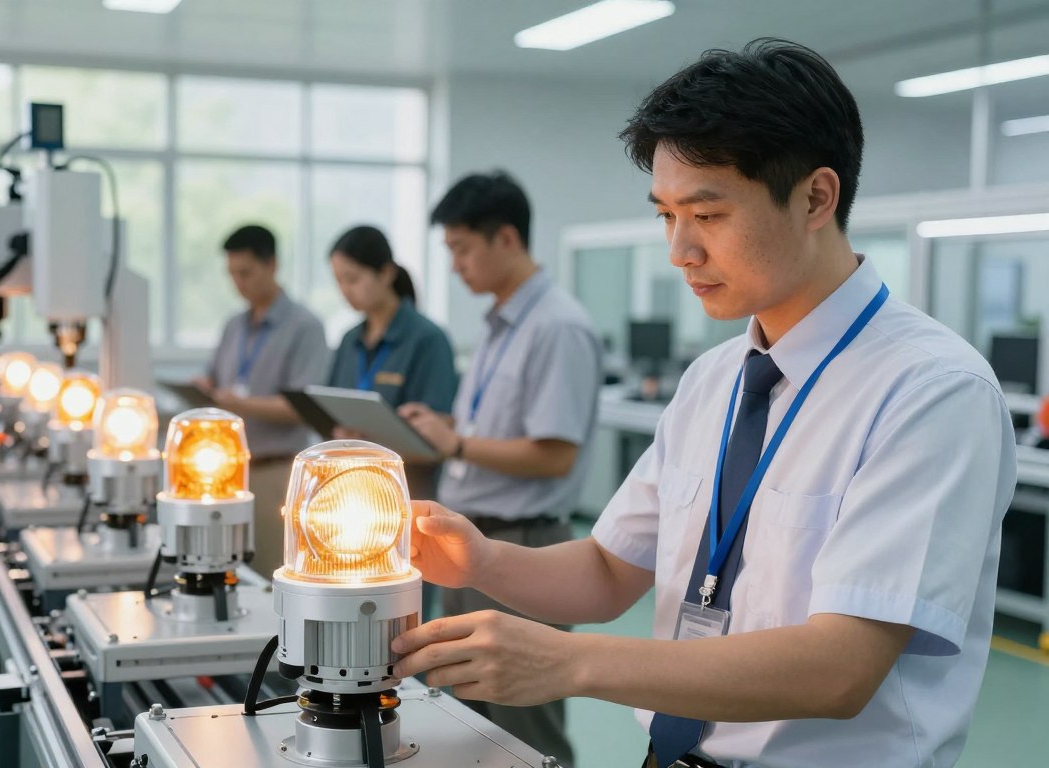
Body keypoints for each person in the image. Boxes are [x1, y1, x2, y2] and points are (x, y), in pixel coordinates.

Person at [391, 39, 1016, 768]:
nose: (679, 250)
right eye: (665, 215)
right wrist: (482, 559)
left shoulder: (931, 392)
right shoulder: (716, 379)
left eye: (707, 215)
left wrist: (571, 663)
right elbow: (606, 569)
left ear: (816, 197)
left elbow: (840, 666)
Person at [400, 171, 602, 765]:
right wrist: (445, 432)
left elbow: (555, 452)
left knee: (527, 723)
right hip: (475, 541)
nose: (457, 266)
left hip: (524, 545)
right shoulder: (498, 324)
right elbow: (492, 432)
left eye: (463, 249)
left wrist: (456, 446)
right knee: (465, 714)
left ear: (507, 239)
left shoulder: (556, 326)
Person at [194, 224, 330, 575]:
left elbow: (303, 409)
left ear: (272, 265)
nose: (238, 283)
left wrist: (239, 405)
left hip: (276, 472)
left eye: (246, 273)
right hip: (228, 473)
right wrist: (206, 387)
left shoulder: (304, 327)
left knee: (274, 575)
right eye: (232, 274)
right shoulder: (234, 325)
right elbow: (216, 378)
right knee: (226, 571)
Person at [324, 224, 458, 500]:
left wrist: (375, 438)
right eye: (339, 281)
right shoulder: (350, 340)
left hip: (405, 491)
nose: (345, 290)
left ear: (385, 273)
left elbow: (438, 431)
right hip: (351, 489)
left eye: (353, 279)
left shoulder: (427, 339)